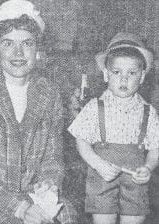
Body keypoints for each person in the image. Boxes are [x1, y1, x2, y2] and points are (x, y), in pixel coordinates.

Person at [0, 0, 78, 223]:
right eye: (8, 43)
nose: (18, 52)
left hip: (32, 197)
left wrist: (49, 184)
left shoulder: (50, 94)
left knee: (67, 216)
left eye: (27, 43)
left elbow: (53, 159)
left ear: (38, 51)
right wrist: (20, 208)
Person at [68, 32, 159, 224]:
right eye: (117, 72)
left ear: (142, 77)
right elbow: (81, 140)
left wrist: (148, 167)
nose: (124, 80)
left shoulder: (148, 112)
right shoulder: (94, 106)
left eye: (132, 73)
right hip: (102, 176)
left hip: (135, 180)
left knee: (134, 218)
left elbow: (155, 146)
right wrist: (97, 163)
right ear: (106, 74)